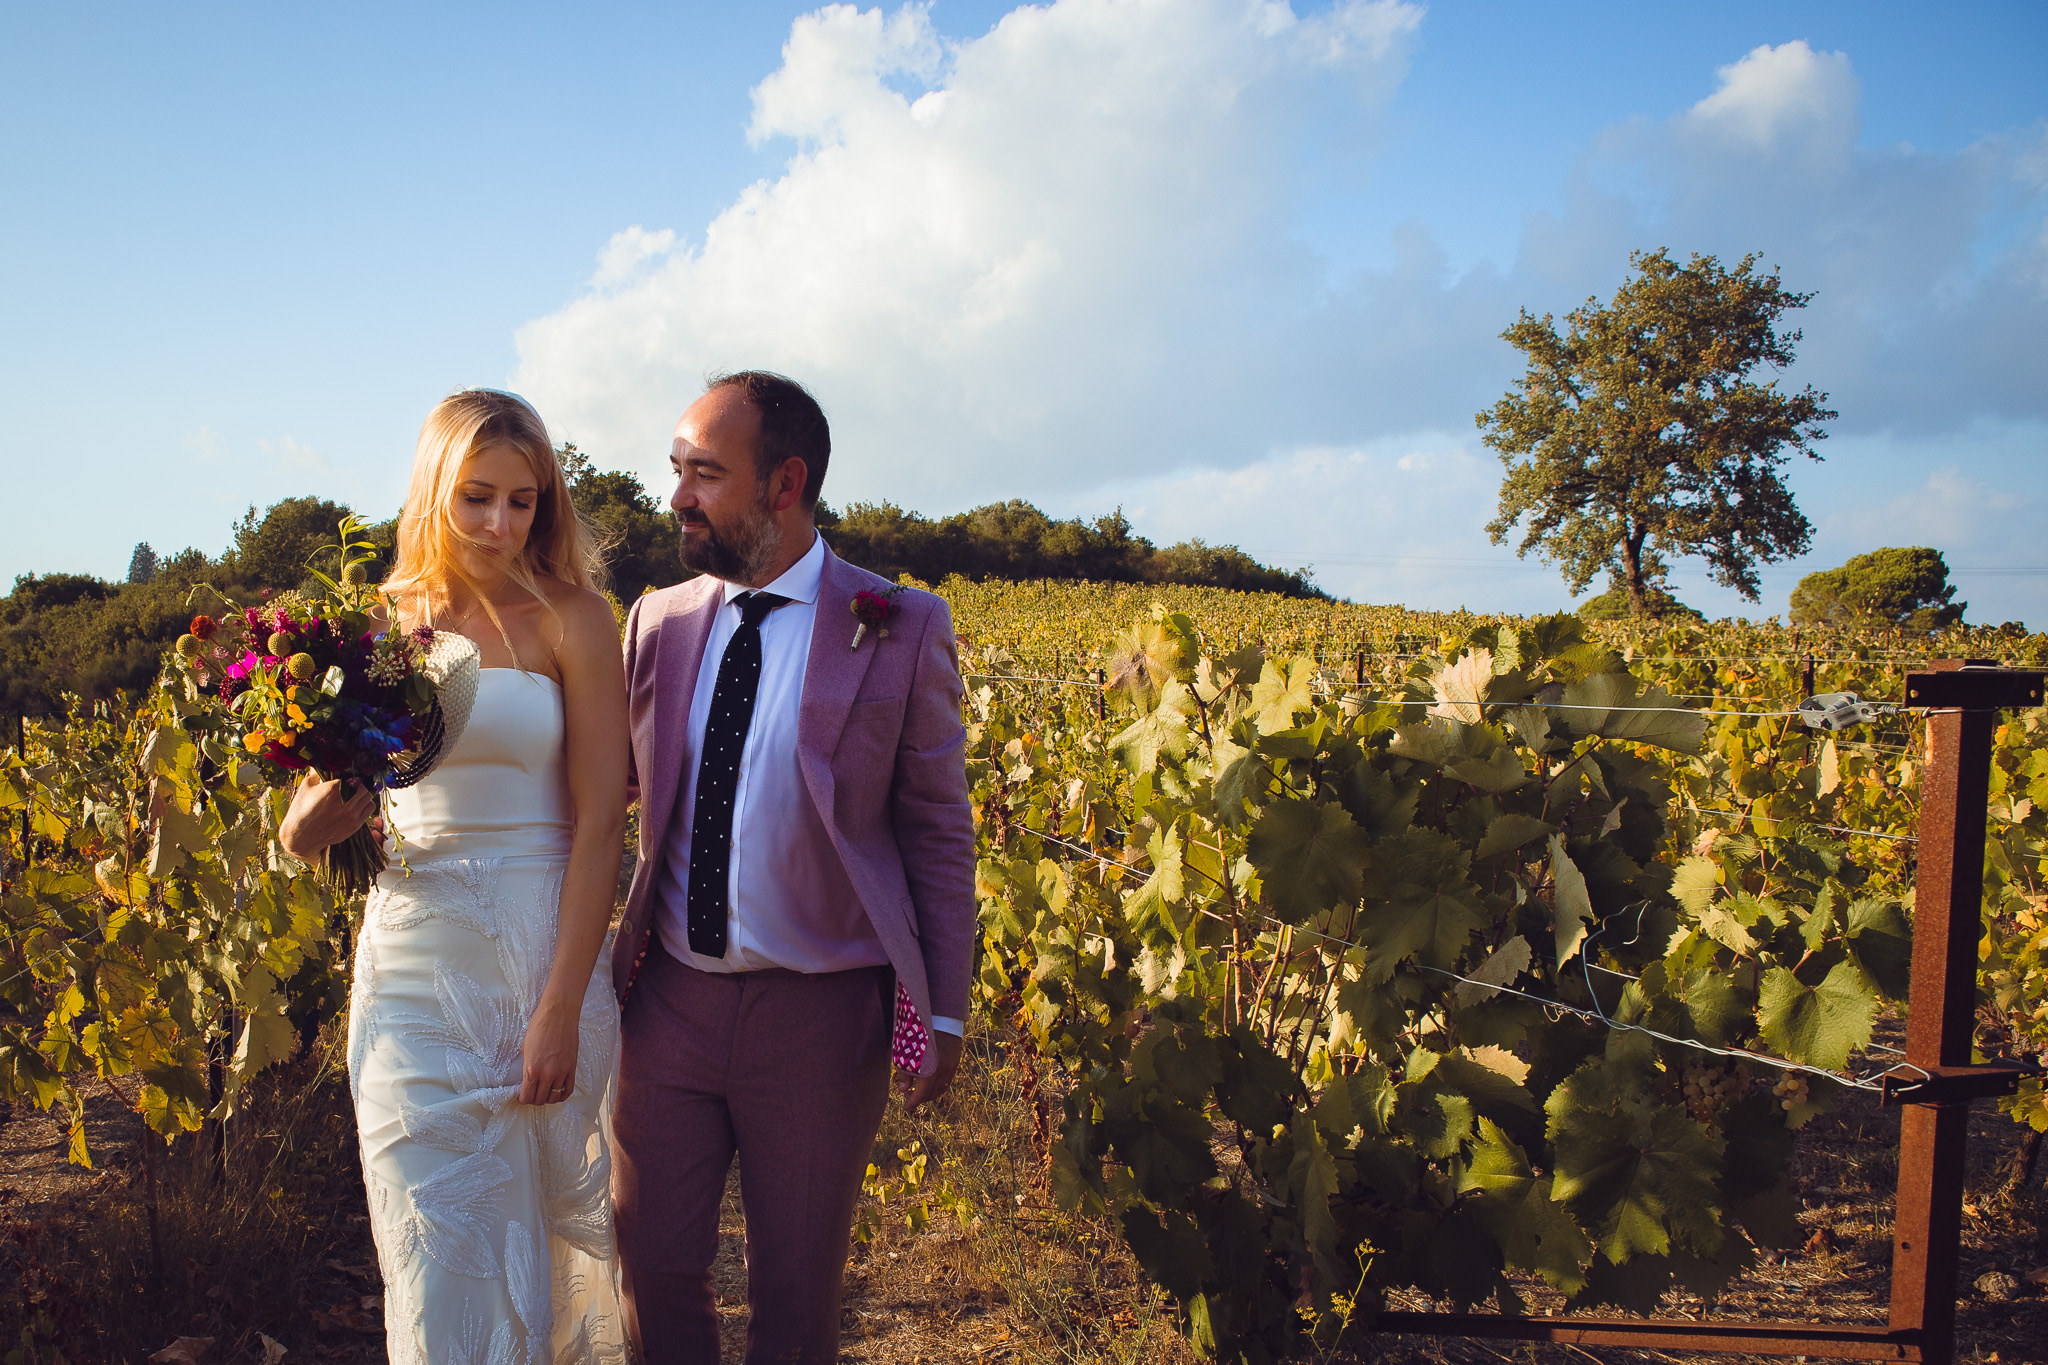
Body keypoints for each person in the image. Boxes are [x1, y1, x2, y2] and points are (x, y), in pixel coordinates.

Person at [609, 370, 975, 1363]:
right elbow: (617, 796)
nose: (679, 496)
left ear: (784, 484)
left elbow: (938, 827)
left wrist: (940, 1010)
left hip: (821, 1018)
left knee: (795, 1297)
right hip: (669, 1003)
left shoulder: (897, 625)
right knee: (650, 1267)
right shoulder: (657, 623)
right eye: (676, 469)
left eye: (705, 474)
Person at [280, 388, 633, 1363]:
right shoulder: (376, 627)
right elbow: (305, 829)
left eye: (523, 501)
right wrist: (315, 818)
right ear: (435, 487)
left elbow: (602, 819)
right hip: (408, 979)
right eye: (477, 496)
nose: (498, 522)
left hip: (539, 974)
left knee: (552, 1265)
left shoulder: (573, 619)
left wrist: (561, 1006)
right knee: (431, 1255)